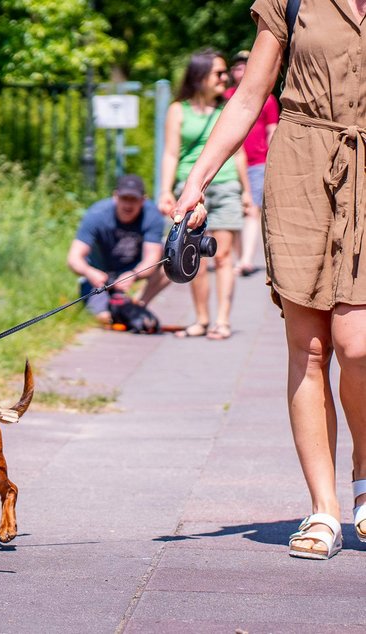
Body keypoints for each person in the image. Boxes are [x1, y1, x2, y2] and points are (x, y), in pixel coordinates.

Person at [173, 0, 366, 560]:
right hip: (302, 166)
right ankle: (324, 508)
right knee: (309, 348)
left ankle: (363, 471)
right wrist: (197, 179)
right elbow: (250, 97)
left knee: (358, 347)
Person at [158, 49, 256, 340]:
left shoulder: (227, 110)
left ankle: (222, 320)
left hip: (225, 186)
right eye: (219, 72)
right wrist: (165, 190)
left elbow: (238, 154)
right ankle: (201, 318)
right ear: (199, 76)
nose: (225, 78)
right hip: (189, 188)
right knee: (191, 254)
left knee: (223, 255)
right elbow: (171, 153)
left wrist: (246, 192)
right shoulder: (179, 110)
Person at [67, 174, 170, 325]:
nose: (128, 204)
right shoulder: (96, 214)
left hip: (132, 270)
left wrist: (133, 275)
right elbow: (73, 258)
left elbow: (152, 258)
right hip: (99, 277)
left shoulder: (152, 216)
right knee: (104, 318)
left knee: (171, 258)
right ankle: (116, 311)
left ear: (143, 200)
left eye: (133, 199)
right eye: (124, 198)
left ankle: (138, 306)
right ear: (115, 196)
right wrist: (90, 272)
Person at [224, 49, 280, 277]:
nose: (241, 70)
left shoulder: (268, 98)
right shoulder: (226, 97)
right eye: (237, 67)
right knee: (234, 210)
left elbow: (272, 130)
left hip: (257, 162)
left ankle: (246, 258)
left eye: (246, 66)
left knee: (252, 209)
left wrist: (271, 159)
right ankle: (235, 255)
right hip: (229, 162)